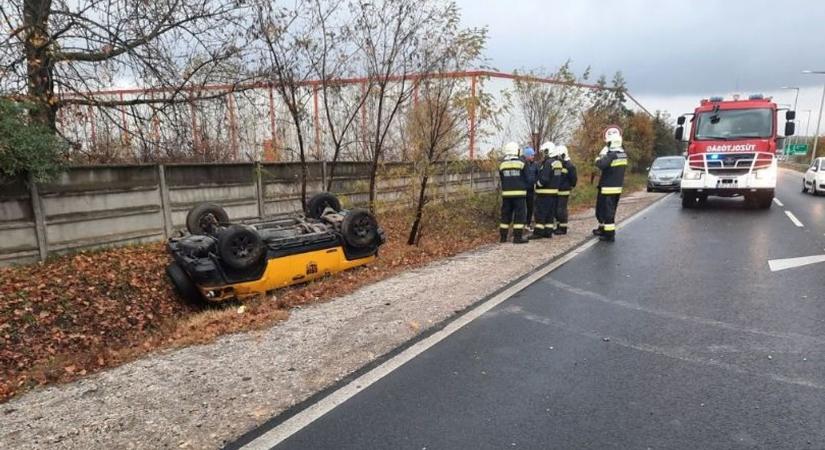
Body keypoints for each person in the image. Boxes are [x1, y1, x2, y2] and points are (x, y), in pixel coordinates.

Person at [593, 126, 628, 242]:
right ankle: (604, 229)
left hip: (608, 188)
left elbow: (601, 165)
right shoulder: (623, 154)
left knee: (607, 211)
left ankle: (609, 234)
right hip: (616, 188)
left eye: (608, 143)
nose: (607, 145)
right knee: (608, 210)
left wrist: (599, 157)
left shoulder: (612, 155)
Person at [498, 142, 530, 244]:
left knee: (505, 216)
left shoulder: (502, 165)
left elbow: (502, 179)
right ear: (516, 151)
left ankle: (503, 237)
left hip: (506, 195)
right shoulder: (521, 163)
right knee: (519, 216)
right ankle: (517, 237)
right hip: (519, 195)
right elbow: (528, 178)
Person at [533, 142, 563, 239]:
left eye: (544, 152)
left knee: (540, 213)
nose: (543, 155)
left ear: (547, 151)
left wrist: (537, 185)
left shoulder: (548, 163)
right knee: (550, 214)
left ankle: (538, 233)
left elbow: (544, 179)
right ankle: (548, 232)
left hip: (544, 193)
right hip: (554, 193)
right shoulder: (558, 163)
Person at [554, 144, 577, 235]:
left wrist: (569, 186)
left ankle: (563, 228)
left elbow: (573, 179)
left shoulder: (569, 166)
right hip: (557, 190)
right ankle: (559, 226)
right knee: (556, 209)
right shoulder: (559, 164)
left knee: (561, 209)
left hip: (564, 190)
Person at [521, 147, 538, 229]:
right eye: (531, 155)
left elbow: (537, 175)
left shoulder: (535, 165)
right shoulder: (522, 164)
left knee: (530, 207)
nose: (533, 157)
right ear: (527, 156)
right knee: (523, 208)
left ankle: (528, 223)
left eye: (533, 155)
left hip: (531, 190)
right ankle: (522, 224)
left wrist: (536, 182)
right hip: (523, 189)